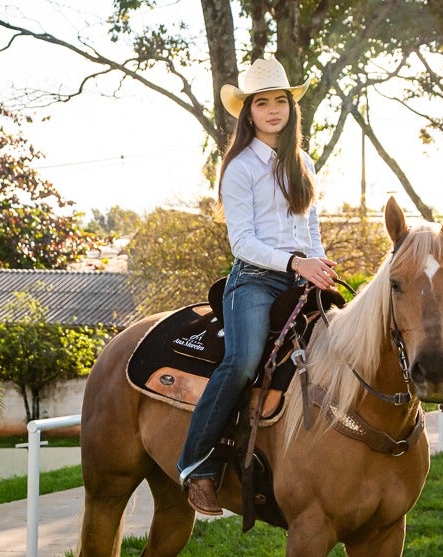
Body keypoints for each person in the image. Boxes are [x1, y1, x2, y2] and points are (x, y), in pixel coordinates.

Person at [178, 57, 338, 515]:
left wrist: (319, 265)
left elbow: (311, 230)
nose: (272, 110)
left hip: (301, 274)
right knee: (244, 360)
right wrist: (294, 263)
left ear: (291, 108)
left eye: (280, 101)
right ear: (248, 112)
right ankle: (196, 465)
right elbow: (243, 242)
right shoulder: (239, 167)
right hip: (254, 279)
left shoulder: (303, 161)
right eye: (262, 103)